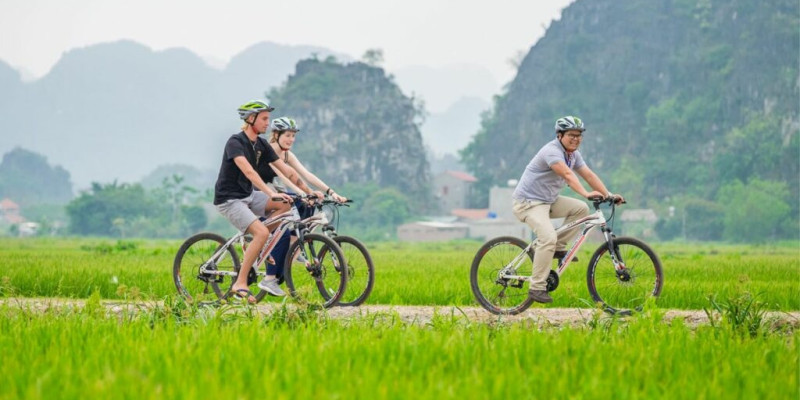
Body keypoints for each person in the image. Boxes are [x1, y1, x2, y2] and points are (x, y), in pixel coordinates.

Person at [213, 100, 318, 303]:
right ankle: (240, 283)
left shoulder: (260, 144)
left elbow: (287, 170)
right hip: (230, 199)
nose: (267, 123)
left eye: (268, 119)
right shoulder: (235, 142)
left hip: (249, 196)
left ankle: (261, 243)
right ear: (250, 119)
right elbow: (249, 172)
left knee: (287, 204)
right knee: (262, 230)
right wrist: (271, 193)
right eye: (264, 119)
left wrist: (309, 192)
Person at [511, 116, 624, 304]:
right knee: (547, 237)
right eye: (572, 135)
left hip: (548, 201)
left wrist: (608, 194)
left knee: (581, 209)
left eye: (579, 135)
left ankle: (557, 248)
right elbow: (567, 174)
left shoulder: (573, 155)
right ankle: (537, 287)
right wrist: (586, 193)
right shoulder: (552, 152)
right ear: (560, 135)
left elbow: (588, 174)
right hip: (528, 203)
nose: (576, 139)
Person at [261, 117, 347, 279]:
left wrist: (332, 192)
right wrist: (302, 194)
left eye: (293, 136)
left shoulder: (287, 155)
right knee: (300, 200)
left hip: (279, 192)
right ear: (277, 134)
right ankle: (290, 248)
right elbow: (285, 177)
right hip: (262, 193)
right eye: (287, 135)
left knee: (308, 206)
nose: (291, 139)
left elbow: (306, 175)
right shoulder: (269, 151)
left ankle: (295, 245)